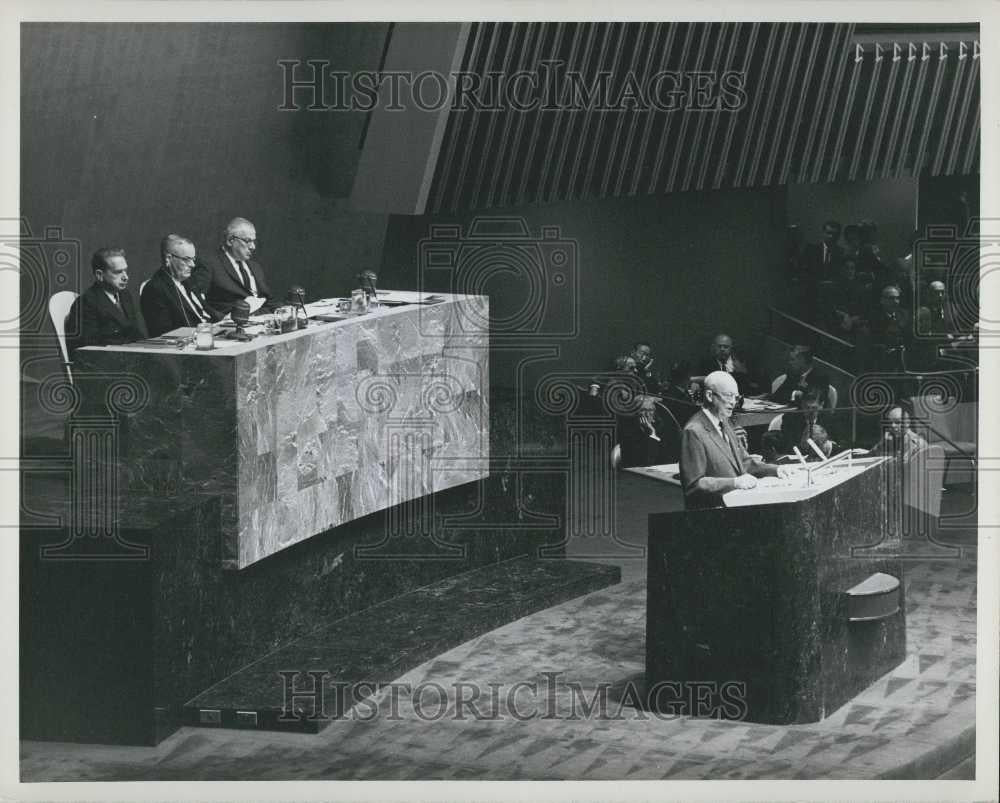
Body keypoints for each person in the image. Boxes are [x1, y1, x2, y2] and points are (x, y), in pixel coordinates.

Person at [679, 371, 788, 508]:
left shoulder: (725, 422)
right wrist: (734, 482)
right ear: (709, 396)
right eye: (728, 396)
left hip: (735, 507)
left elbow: (744, 463)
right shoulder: (694, 431)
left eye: (736, 397)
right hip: (712, 514)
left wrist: (775, 470)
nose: (733, 402)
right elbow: (694, 484)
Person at [67, 247, 147, 351]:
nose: (125, 277)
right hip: (107, 362)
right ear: (100, 275)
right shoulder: (86, 303)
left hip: (129, 355)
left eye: (125, 271)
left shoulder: (125, 295)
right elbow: (89, 349)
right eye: (118, 272)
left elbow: (135, 333)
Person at [192, 217, 275, 317]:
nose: (253, 246)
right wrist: (222, 320)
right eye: (247, 241)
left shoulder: (255, 267)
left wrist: (285, 310)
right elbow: (197, 300)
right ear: (230, 240)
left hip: (262, 322)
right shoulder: (209, 263)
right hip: (230, 325)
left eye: (253, 241)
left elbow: (269, 300)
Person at [141, 235, 221, 337]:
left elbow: (205, 311)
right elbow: (164, 333)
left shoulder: (188, 280)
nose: (193, 265)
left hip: (211, 335)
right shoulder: (154, 289)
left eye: (193, 259)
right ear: (168, 259)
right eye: (186, 259)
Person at [761, 387, 838, 462]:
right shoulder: (790, 418)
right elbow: (788, 446)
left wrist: (827, 445)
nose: (810, 411)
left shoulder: (830, 420)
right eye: (807, 407)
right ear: (802, 404)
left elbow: (840, 446)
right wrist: (802, 444)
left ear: (821, 405)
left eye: (814, 408)